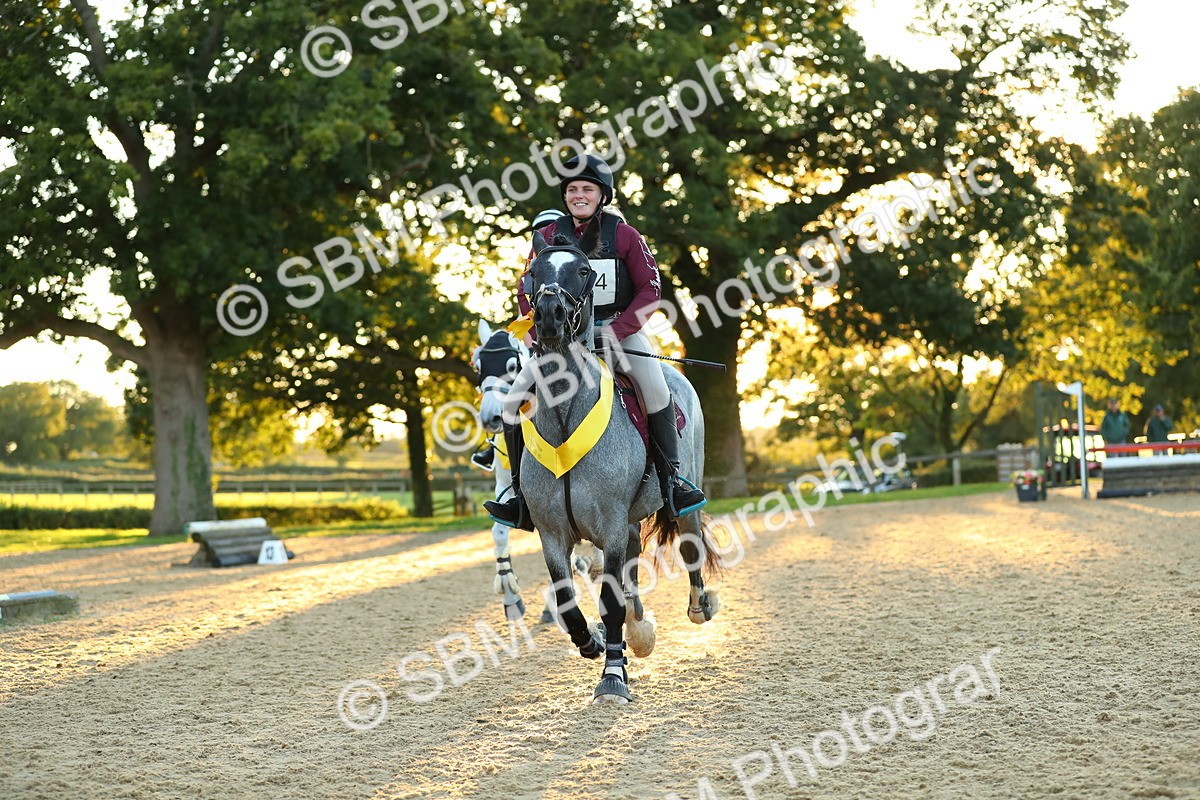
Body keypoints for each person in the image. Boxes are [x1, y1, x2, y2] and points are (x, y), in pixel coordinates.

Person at [484, 154, 707, 529]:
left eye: (587, 189)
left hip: (620, 333)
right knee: (512, 403)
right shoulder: (550, 237)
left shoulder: (624, 236)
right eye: (572, 189)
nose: (579, 195)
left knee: (657, 390)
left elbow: (650, 290)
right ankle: (520, 497)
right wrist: (543, 333)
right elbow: (527, 289)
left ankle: (673, 483)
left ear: (602, 195)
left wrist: (615, 331)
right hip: (561, 342)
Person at [470, 209, 568, 472]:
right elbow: (525, 319)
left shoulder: (573, 265)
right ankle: (503, 460)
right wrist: (531, 348)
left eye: (553, 230)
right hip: (535, 346)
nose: (548, 238)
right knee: (509, 393)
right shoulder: (528, 277)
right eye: (542, 233)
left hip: (583, 344)